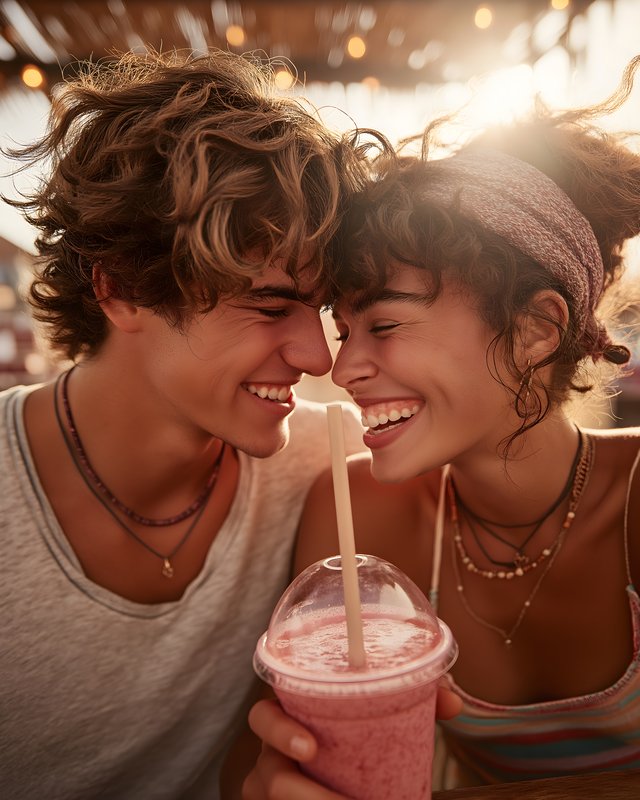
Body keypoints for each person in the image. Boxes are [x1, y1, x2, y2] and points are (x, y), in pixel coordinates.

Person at [244, 60, 640, 797]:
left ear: (535, 329)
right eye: (346, 327)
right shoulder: (357, 513)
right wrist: (291, 770)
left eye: (385, 323)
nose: (344, 366)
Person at [0, 48, 382, 799]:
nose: (316, 358)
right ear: (120, 289)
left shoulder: (318, 473)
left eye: (322, 310)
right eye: (270, 306)